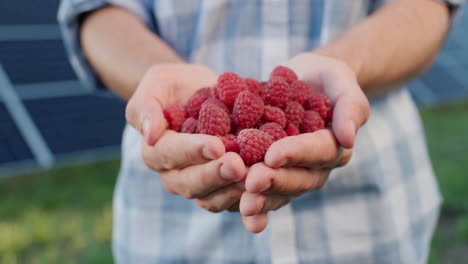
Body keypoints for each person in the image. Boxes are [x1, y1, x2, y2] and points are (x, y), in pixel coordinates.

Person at [58, 0, 462, 263]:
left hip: (371, 219)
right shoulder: (215, 110)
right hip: (170, 233)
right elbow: (96, 12)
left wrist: (345, 64)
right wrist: (158, 79)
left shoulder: (289, 106)